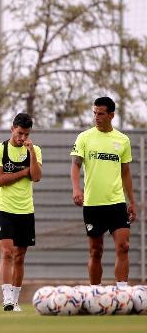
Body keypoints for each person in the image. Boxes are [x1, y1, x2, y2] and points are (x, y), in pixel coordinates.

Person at [70, 97, 135, 288]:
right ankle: (95, 294)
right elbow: (75, 166)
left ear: (111, 115)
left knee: (124, 247)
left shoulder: (123, 140)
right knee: (96, 251)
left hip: (116, 203)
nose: (96, 117)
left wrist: (132, 201)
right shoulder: (84, 137)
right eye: (94, 113)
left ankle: (122, 292)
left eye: (101, 113)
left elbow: (126, 172)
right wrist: (76, 188)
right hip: (92, 204)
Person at [0, 113, 42, 311]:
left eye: (26, 134)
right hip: (4, 209)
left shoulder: (34, 150)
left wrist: (32, 155)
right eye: (19, 133)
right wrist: (23, 172)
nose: (22, 138)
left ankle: (16, 300)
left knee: (20, 256)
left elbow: (36, 177)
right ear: (12, 129)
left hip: (26, 210)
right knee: (7, 252)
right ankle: (7, 298)